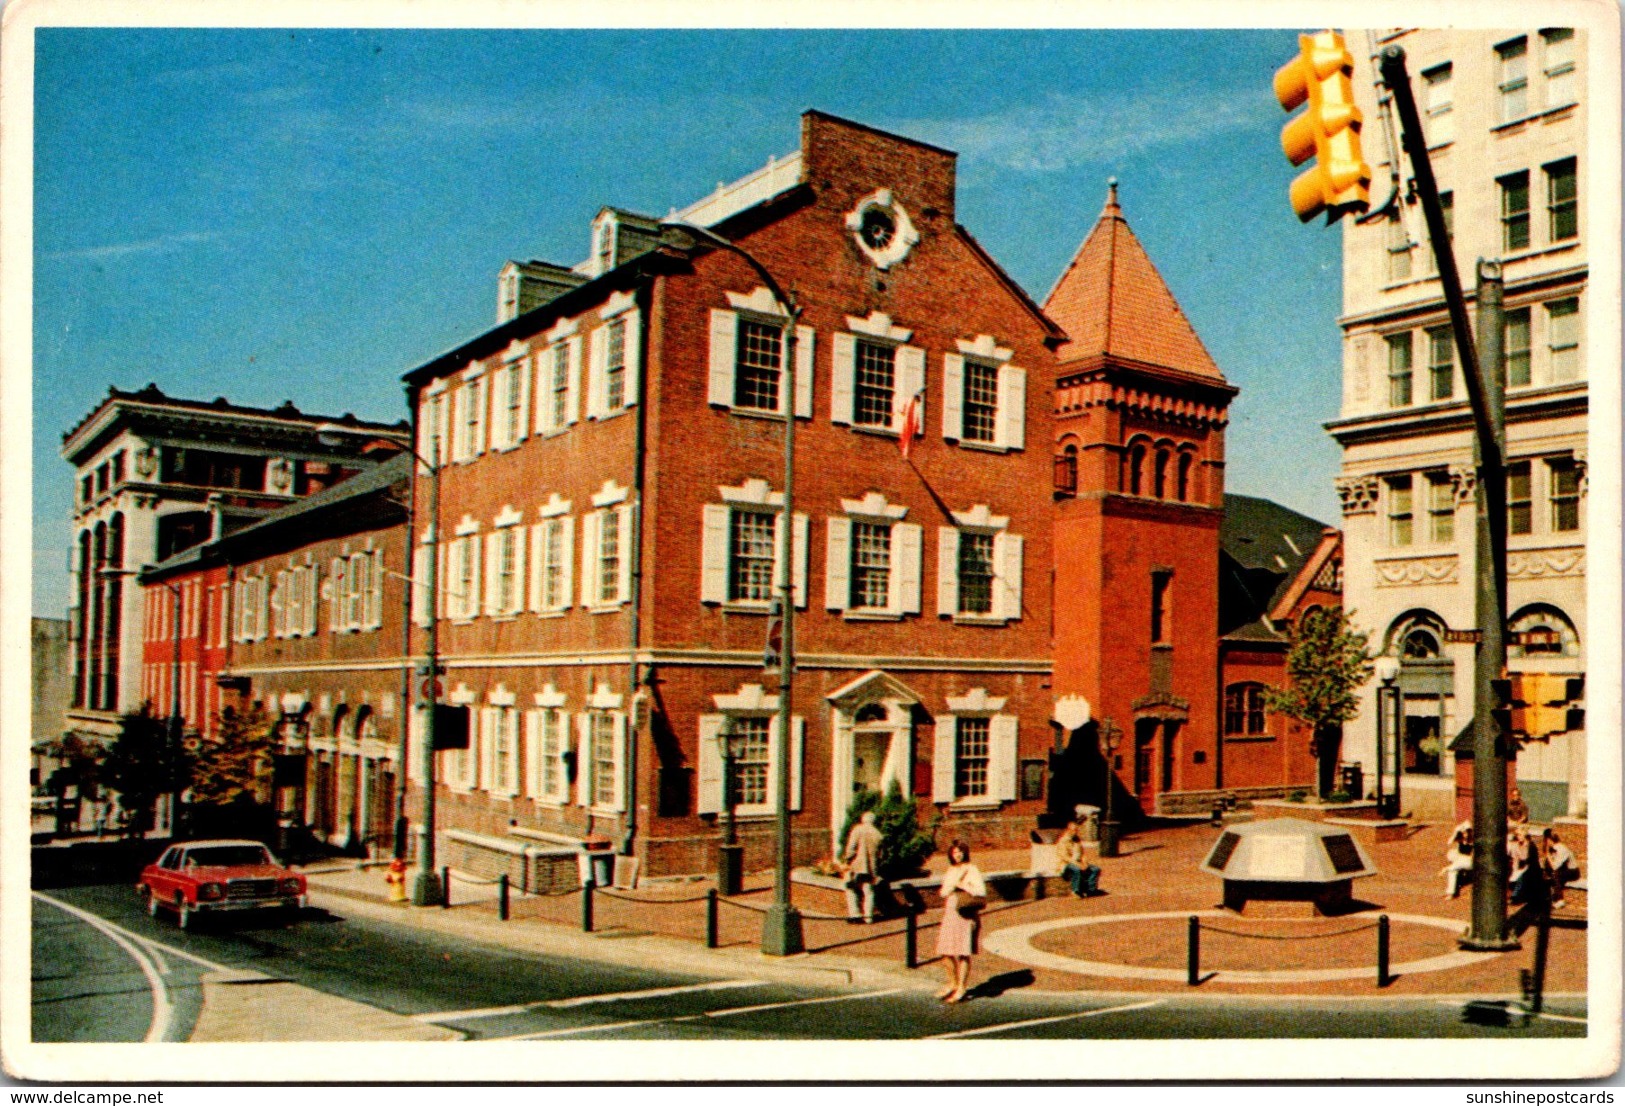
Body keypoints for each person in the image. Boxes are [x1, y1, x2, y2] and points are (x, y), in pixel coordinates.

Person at [935, 840, 986, 1004]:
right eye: (954, 852)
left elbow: (980, 891)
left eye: (960, 852)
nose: (957, 855)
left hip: (965, 912)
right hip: (951, 912)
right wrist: (951, 885)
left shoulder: (971, 869)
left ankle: (962, 987)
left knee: (963, 951)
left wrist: (962, 884)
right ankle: (952, 982)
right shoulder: (951, 870)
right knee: (945, 951)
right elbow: (943, 892)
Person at [841, 811, 884, 924]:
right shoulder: (878, 834)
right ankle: (868, 917)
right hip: (871, 868)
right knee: (869, 891)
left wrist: (847, 860)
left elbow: (851, 847)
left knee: (850, 888)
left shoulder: (858, 829)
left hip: (856, 866)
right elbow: (881, 855)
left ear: (863, 819)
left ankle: (855, 915)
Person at [1056, 808, 1101, 897]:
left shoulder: (1077, 840)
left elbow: (1082, 853)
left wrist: (1084, 862)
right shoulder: (1063, 841)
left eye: (1076, 830)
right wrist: (1077, 864)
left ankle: (1090, 889)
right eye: (1073, 830)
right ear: (1068, 830)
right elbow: (1065, 857)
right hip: (1066, 865)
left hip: (1078, 862)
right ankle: (1076, 890)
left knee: (1095, 869)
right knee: (1076, 870)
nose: (1075, 832)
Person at [1542, 828, 1581, 908]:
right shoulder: (1553, 849)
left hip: (1573, 871)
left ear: (1549, 840)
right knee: (1547, 875)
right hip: (1563, 870)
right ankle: (1547, 898)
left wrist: (1548, 855)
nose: (1545, 842)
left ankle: (1560, 900)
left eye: (1545, 840)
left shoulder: (1561, 849)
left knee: (1555, 874)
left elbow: (1555, 866)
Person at [1441, 821, 1472, 898]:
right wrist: (1456, 831)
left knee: (1452, 870)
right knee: (1451, 854)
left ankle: (1450, 893)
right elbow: (1449, 842)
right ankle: (1451, 892)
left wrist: (1447, 868)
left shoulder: (1473, 839)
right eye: (1464, 832)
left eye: (1467, 832)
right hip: (1461, 858)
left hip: (1468, 861)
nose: (1466, 834)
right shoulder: (1460, 838)